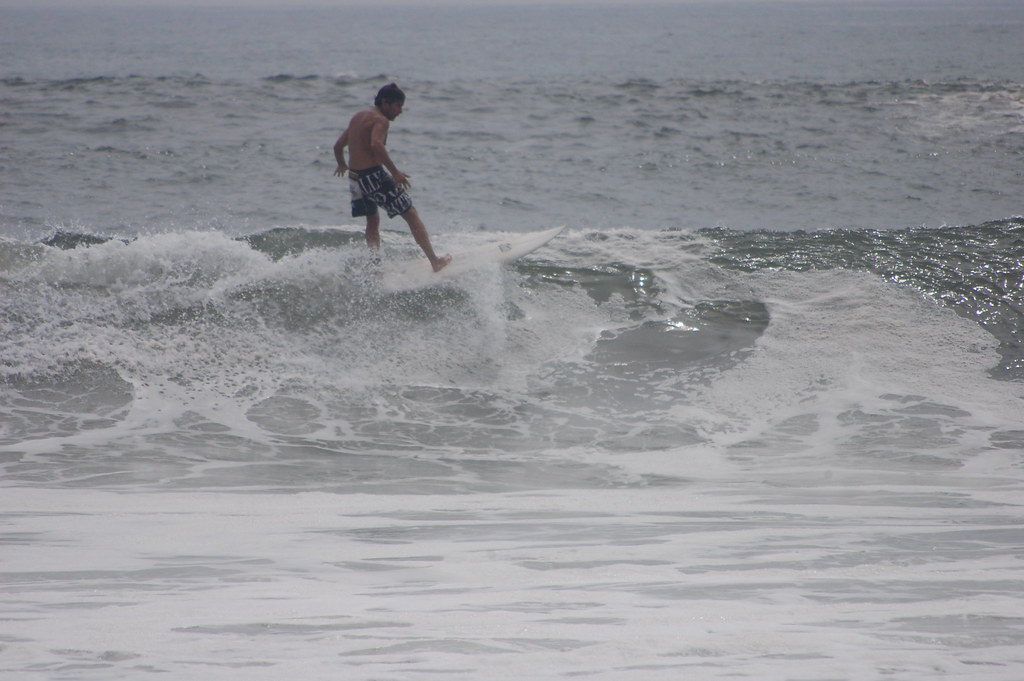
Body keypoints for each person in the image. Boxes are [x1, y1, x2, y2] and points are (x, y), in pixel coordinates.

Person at [333, 83, 451, 272]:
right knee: (411, 214)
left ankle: (374, 266)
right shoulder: (381, 120)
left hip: (355, 178)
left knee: (372, 220)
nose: (400, 111)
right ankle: (435, 261)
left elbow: (338, 146)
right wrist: (395, 173)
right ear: (385, 103)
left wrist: (341, 163)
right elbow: (376, 145)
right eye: (398, 106)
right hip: (373, 176)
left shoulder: (358, 117)